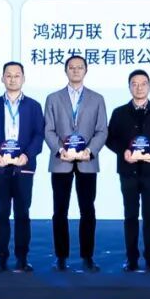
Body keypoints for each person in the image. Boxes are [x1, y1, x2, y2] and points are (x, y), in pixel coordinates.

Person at [43, 55, 108, 272]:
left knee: (87, 210)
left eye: (80, 67)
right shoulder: (53, 98)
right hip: (61, 161)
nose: (76, 70)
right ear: (66, 71)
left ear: (86, 71)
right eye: (72, 67)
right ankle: (61, 256)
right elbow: (48, 129)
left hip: (87, 162)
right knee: (60, 210)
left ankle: (87, 256)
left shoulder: (97, 98)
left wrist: (90, 151)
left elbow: (102, 130)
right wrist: (60, 150)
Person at [106, 69, 150, 272]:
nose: (139, 87)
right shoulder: (119, 112)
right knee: (130, 216)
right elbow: (109, 138)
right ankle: (131, 259)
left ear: (149, 87)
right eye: (134, 84)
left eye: (143, 84)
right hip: (128, 171)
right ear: (129, 87)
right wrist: (123, 151)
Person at [0, 62, 45, 272]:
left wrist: (27, 155)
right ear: (2, 78)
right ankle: (1, 257)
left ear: (23, 79)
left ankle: (22, 257)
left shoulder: (34, 106)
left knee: (22, 213)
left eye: (17, 75)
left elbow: (39, 134)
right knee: (1, 213)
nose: (12, 79)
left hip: (23, 167)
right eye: (8, 75)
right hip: (0, 167)